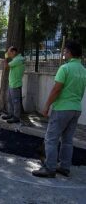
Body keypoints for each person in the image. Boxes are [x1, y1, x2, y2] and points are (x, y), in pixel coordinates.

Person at [32, 41, 86, 178]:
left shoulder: (65, 68)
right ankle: (64, 167)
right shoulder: (83, 70)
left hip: (62, 108)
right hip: (76, 109)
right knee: (67, 140)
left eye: (65, 51)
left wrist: (46, 106)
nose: (63, 53)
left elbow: (56, 89)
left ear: (70, 53)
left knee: (51, 139)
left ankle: (49, 168)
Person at [2, 46, 25, 123]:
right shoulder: (16, 59)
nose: (8, 54)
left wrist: (5, 57)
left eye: (9, 53)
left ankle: (16, 117)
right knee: (10, 100)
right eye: (7, 53)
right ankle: (11, 114)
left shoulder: (18, 60)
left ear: (14, 52)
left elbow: (6, 66)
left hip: (16, 84)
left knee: (16, 102)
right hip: (12, 84)